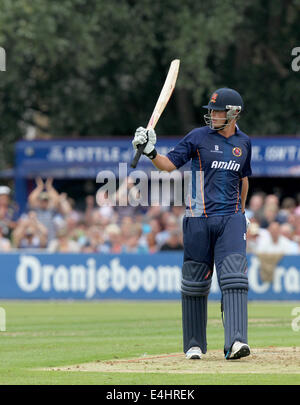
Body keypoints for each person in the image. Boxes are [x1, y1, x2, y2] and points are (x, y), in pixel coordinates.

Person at [133, 88, 252, 360]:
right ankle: (194, 344)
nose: (211, 115)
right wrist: (151, 152)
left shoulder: (244, 143)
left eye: (217, 111)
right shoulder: (198, 137)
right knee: (195, 283)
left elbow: (244, 178)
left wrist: (242, 212)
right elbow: (168, 165)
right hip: (198, 219)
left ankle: (236, 342)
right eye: (210, 110)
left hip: (231, 219)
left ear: (233, 113)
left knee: (234, 277)